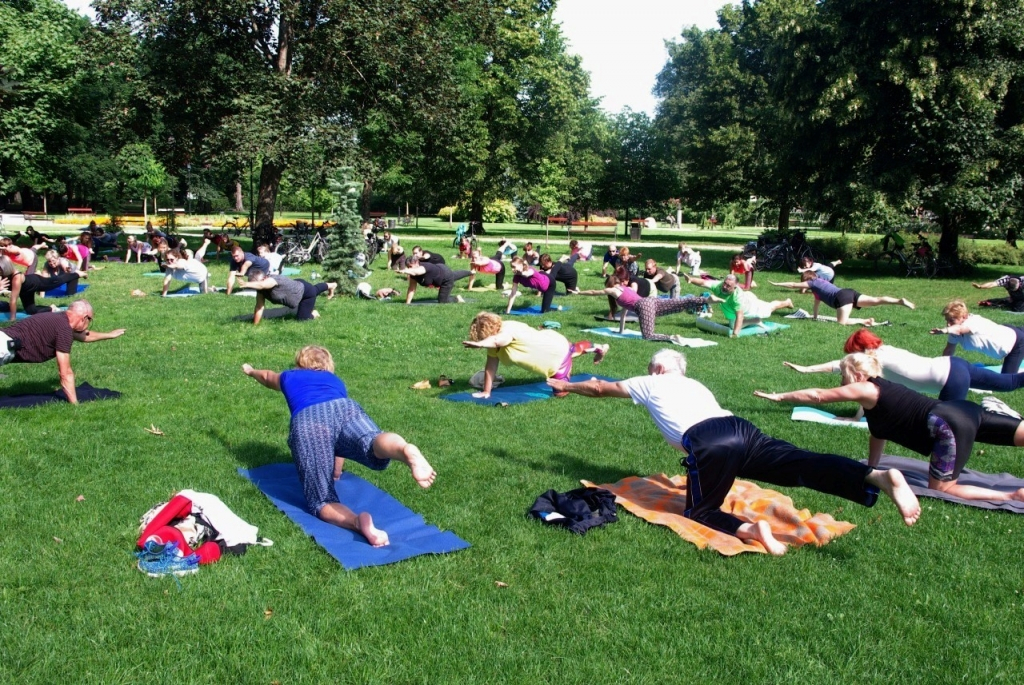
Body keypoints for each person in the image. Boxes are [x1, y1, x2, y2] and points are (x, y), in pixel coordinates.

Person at [547, 349, 921, 555]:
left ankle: (751, 530)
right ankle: (874, 475)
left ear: (659, 367)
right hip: (741, 429)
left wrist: (564, 384)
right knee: (801, 464)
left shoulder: (652, 379)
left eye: (650, 367)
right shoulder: (693, 383)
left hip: (709, 442)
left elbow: (598, 388)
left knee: (699, 509)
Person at [757, 352, 1024, 504]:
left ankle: (1013, 494)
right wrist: (871, 467)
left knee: (942, 488)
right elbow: (878, 434)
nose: (841, 380)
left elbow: (818, 395)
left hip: (947, 425)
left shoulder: (868, 387)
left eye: (843, 374)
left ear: (858, 375)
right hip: (964, 411)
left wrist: (780, 396)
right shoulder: (882, 401)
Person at [241, 345, 436, 546]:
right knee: (372, 441)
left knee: (322, 501)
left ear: (299, 364)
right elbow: (338, 438)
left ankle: (357, 522)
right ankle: (404, 449)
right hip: (345, 408)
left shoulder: (290, 376)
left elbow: (266, 376)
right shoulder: (335, 382)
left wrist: (251, 371)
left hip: (309, 418)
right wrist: (336, 469)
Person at [785, 329, 1024, 402]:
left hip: (949, 380)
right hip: (954, 365)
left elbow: (842, 369)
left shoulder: (873, 360)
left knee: (948, 428)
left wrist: (807, 369)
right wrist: (807, 369)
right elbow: (839, 365)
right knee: (1010, 383)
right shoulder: (884, 350)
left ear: (859, 350)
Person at [0, 300, 126, 404]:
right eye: (90, 320)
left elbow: (83, 335)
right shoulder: (64, 329)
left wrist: (109, 335)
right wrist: (74, 404)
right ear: (84, 318)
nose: (88, 325)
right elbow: (65, 372)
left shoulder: (58, 319)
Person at [462, 311, 608, 398]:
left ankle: (592, 381)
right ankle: (599, 347)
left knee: (560, 393)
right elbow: (490, 366)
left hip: (556, 359)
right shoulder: (494, 341)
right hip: (553, 342)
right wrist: (486, 391)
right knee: (572, 349)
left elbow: (499, 340)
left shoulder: (506, 331)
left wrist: (480, 344)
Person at [575, 269, 709, 343]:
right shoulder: (625, 289)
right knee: (678, 303)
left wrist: (579, 292)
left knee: (648, 335)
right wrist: (621, 331)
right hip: (651, 301)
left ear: (609, 285)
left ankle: (672, 337)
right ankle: (706, 300)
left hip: (644, 306)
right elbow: (623, 315)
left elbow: (594, 292)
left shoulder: (614, 290)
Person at [769, 272, 915, 325]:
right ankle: (898, 301)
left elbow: (794, 284)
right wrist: (814, 317)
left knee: (841, 324)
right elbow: (816, 304)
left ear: (807, 279)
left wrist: (777, 283)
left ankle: (865, 321)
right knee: (876, 300)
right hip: (848, 292)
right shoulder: (821, 284)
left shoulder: (812, 283)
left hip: (841, 298)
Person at [932, 299, 1024, 373]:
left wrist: (945, 330)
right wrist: (942, 367)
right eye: (947, 320)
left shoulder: (973, 322)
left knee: (1007, 382)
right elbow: (949, 349)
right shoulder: (953, 330)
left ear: (964, 317)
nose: (948, 324)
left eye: (951, 320)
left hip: (1015, 343)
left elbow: (960, 329)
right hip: (1005, 331)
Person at [687, 273, 792, 338]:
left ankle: (787, 302)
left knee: (770, 308)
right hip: (737, 307)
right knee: (733, 325)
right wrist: (691, 279)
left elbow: (740, 316)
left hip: (751, 306)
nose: (724, 287)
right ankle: (755, 321)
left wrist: (735, 334)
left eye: (728, 286)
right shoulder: (719, 286)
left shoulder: (737, 298)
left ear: (735, 287)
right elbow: (703, 282)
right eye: (725, 283)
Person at [239, 269, 337, 324]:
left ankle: (314, 313)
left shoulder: (272, 280)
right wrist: (255, 325)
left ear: (264, 278)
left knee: (302, 319)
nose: (255, 286)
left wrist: (246, 284)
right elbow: (259, 308)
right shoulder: (260, 290)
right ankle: (331, 285)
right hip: (297, 286)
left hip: (305, 294)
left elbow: (263, 285)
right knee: (314, 289)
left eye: (255, 284)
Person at [398, 257, 470, 304]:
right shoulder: (412, 274)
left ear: (417, 263)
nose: (409, 269)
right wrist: (407, 303)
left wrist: (404, 271)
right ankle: (471, 272)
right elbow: (412, 288)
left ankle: (457, 298)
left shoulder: (424, 267)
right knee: (454, 275)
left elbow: (417, 272)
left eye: (411, 266)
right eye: (408, 267)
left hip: (445, 277)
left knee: (443, 301)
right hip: (440, 270)